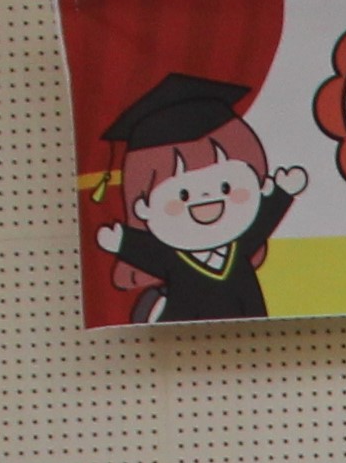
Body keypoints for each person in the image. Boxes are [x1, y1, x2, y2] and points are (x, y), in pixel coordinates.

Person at [90, 72, 305, 320]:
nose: (206, 197)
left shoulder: (240, 246)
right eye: (183, 195)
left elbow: (264, 221)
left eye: (226, 187)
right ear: (144, 206)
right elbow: (147, 252)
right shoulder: (172, 259)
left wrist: (282, 193)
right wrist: (123, 242)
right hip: (187, 334)